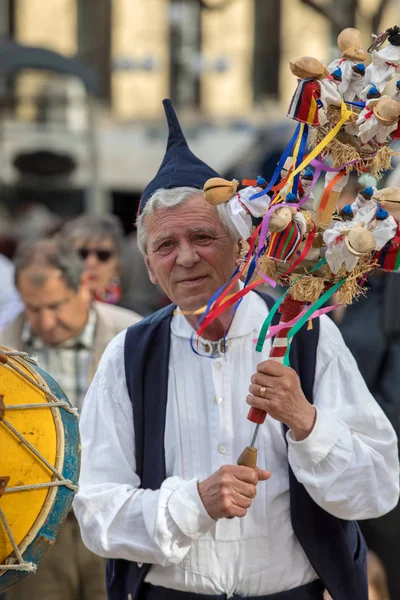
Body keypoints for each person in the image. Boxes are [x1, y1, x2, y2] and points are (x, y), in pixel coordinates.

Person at [73, 100, 399, 600]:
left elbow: (377, 490)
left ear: (242, 244)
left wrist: (305, 421)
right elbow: (96, 513)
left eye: (203, 236)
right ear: (148, 263)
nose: (185, 258)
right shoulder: (128, 354)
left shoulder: (306, 336)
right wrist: (194, 504)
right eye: (165, 246)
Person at [1, 238, 141, 600]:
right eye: (32, 308)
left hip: (115, 514)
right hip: (34, 529)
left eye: (55, 305)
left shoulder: (132, 336)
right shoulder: (5, 350)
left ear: (84, 285)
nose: (46, 321)